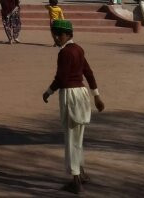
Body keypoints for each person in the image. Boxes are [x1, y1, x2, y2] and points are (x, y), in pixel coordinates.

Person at [42, 20, 105, 193]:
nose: (56, 38)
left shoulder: (65, 53)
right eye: (55, 34)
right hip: (82, 95)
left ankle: (76, 180)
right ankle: (82, 172)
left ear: (68, 35)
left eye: (59, 35)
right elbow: (89, 73)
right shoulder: (78, 49)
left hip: (70, 96)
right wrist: (96, 96)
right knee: (78, 138)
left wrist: (48, 91)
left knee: (71, 139)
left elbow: (61, 78)